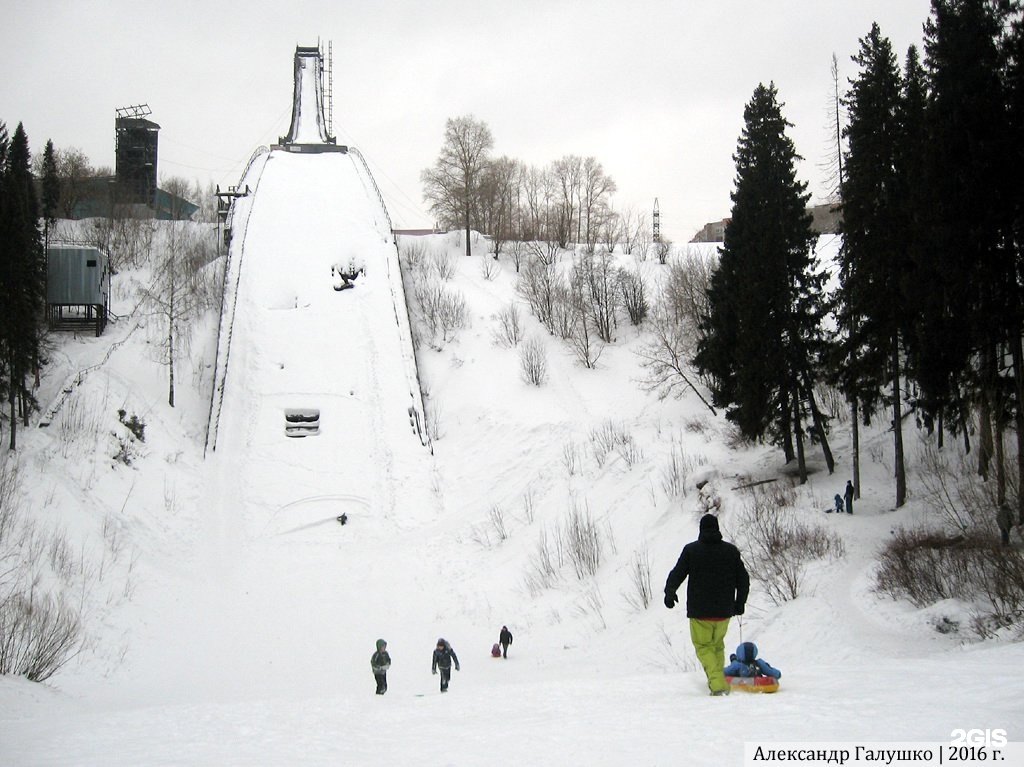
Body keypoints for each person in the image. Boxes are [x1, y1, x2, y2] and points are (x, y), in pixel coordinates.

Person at [664, 513, 750, 696]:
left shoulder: (691, 550)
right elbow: (743, 579)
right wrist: (740, 602)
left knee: (703, 647)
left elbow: (677, 573)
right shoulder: (730, 551)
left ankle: (718, 684)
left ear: (701, 529)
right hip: (724, 611)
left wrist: (670, 592)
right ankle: (717, 679)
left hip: (700, 611)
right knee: (717, 645)